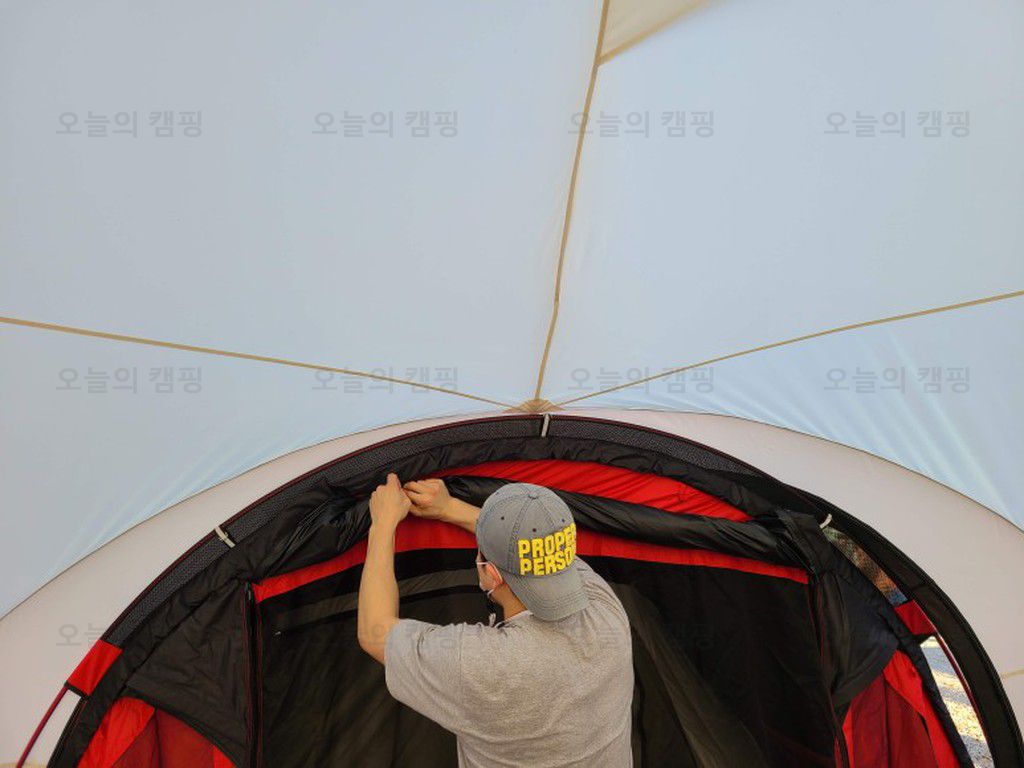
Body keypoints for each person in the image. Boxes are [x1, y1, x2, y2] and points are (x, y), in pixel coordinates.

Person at [357, 473, 634, 768]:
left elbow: (375, 633)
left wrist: (383, 524)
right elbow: (536, 552)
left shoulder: (480, 664)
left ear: (491, 574)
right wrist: (449, 508)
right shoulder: (606, 609)